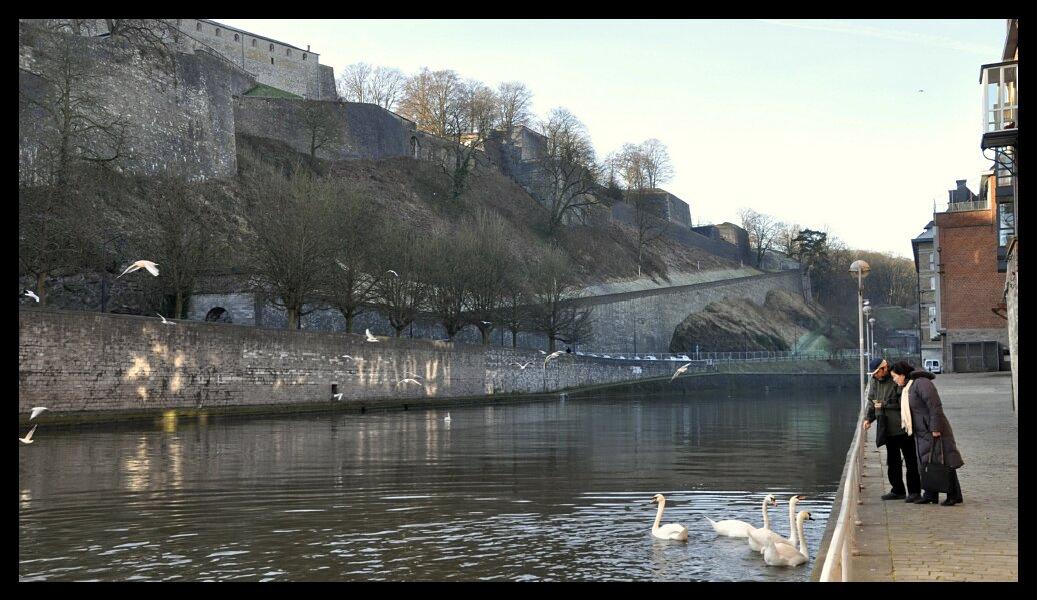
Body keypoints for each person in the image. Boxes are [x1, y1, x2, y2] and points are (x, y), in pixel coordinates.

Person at [889, 361, 965, 506]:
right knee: (927, 462)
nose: (894, 379)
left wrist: (935, 427)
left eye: (894, 376)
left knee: (944, 461)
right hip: (922, 431)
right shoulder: (909, 386)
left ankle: (954, 495)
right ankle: (930, 494)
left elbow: (934, 405)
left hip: (934, 430)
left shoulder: (922, 383)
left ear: (902, 374)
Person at [863, 357, 921, 502]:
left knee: (911, 460)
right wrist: (868, 418)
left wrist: (884, 404)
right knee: (892, 461)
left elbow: (903, 400)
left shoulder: (896, 377)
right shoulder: (874, 381)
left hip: (903, 427)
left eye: (877, 372)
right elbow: (871, 401)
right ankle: (897, 490)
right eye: (874, 374)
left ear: (885, 368)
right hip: (886, 427)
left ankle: (914, 492)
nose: (876, 375)